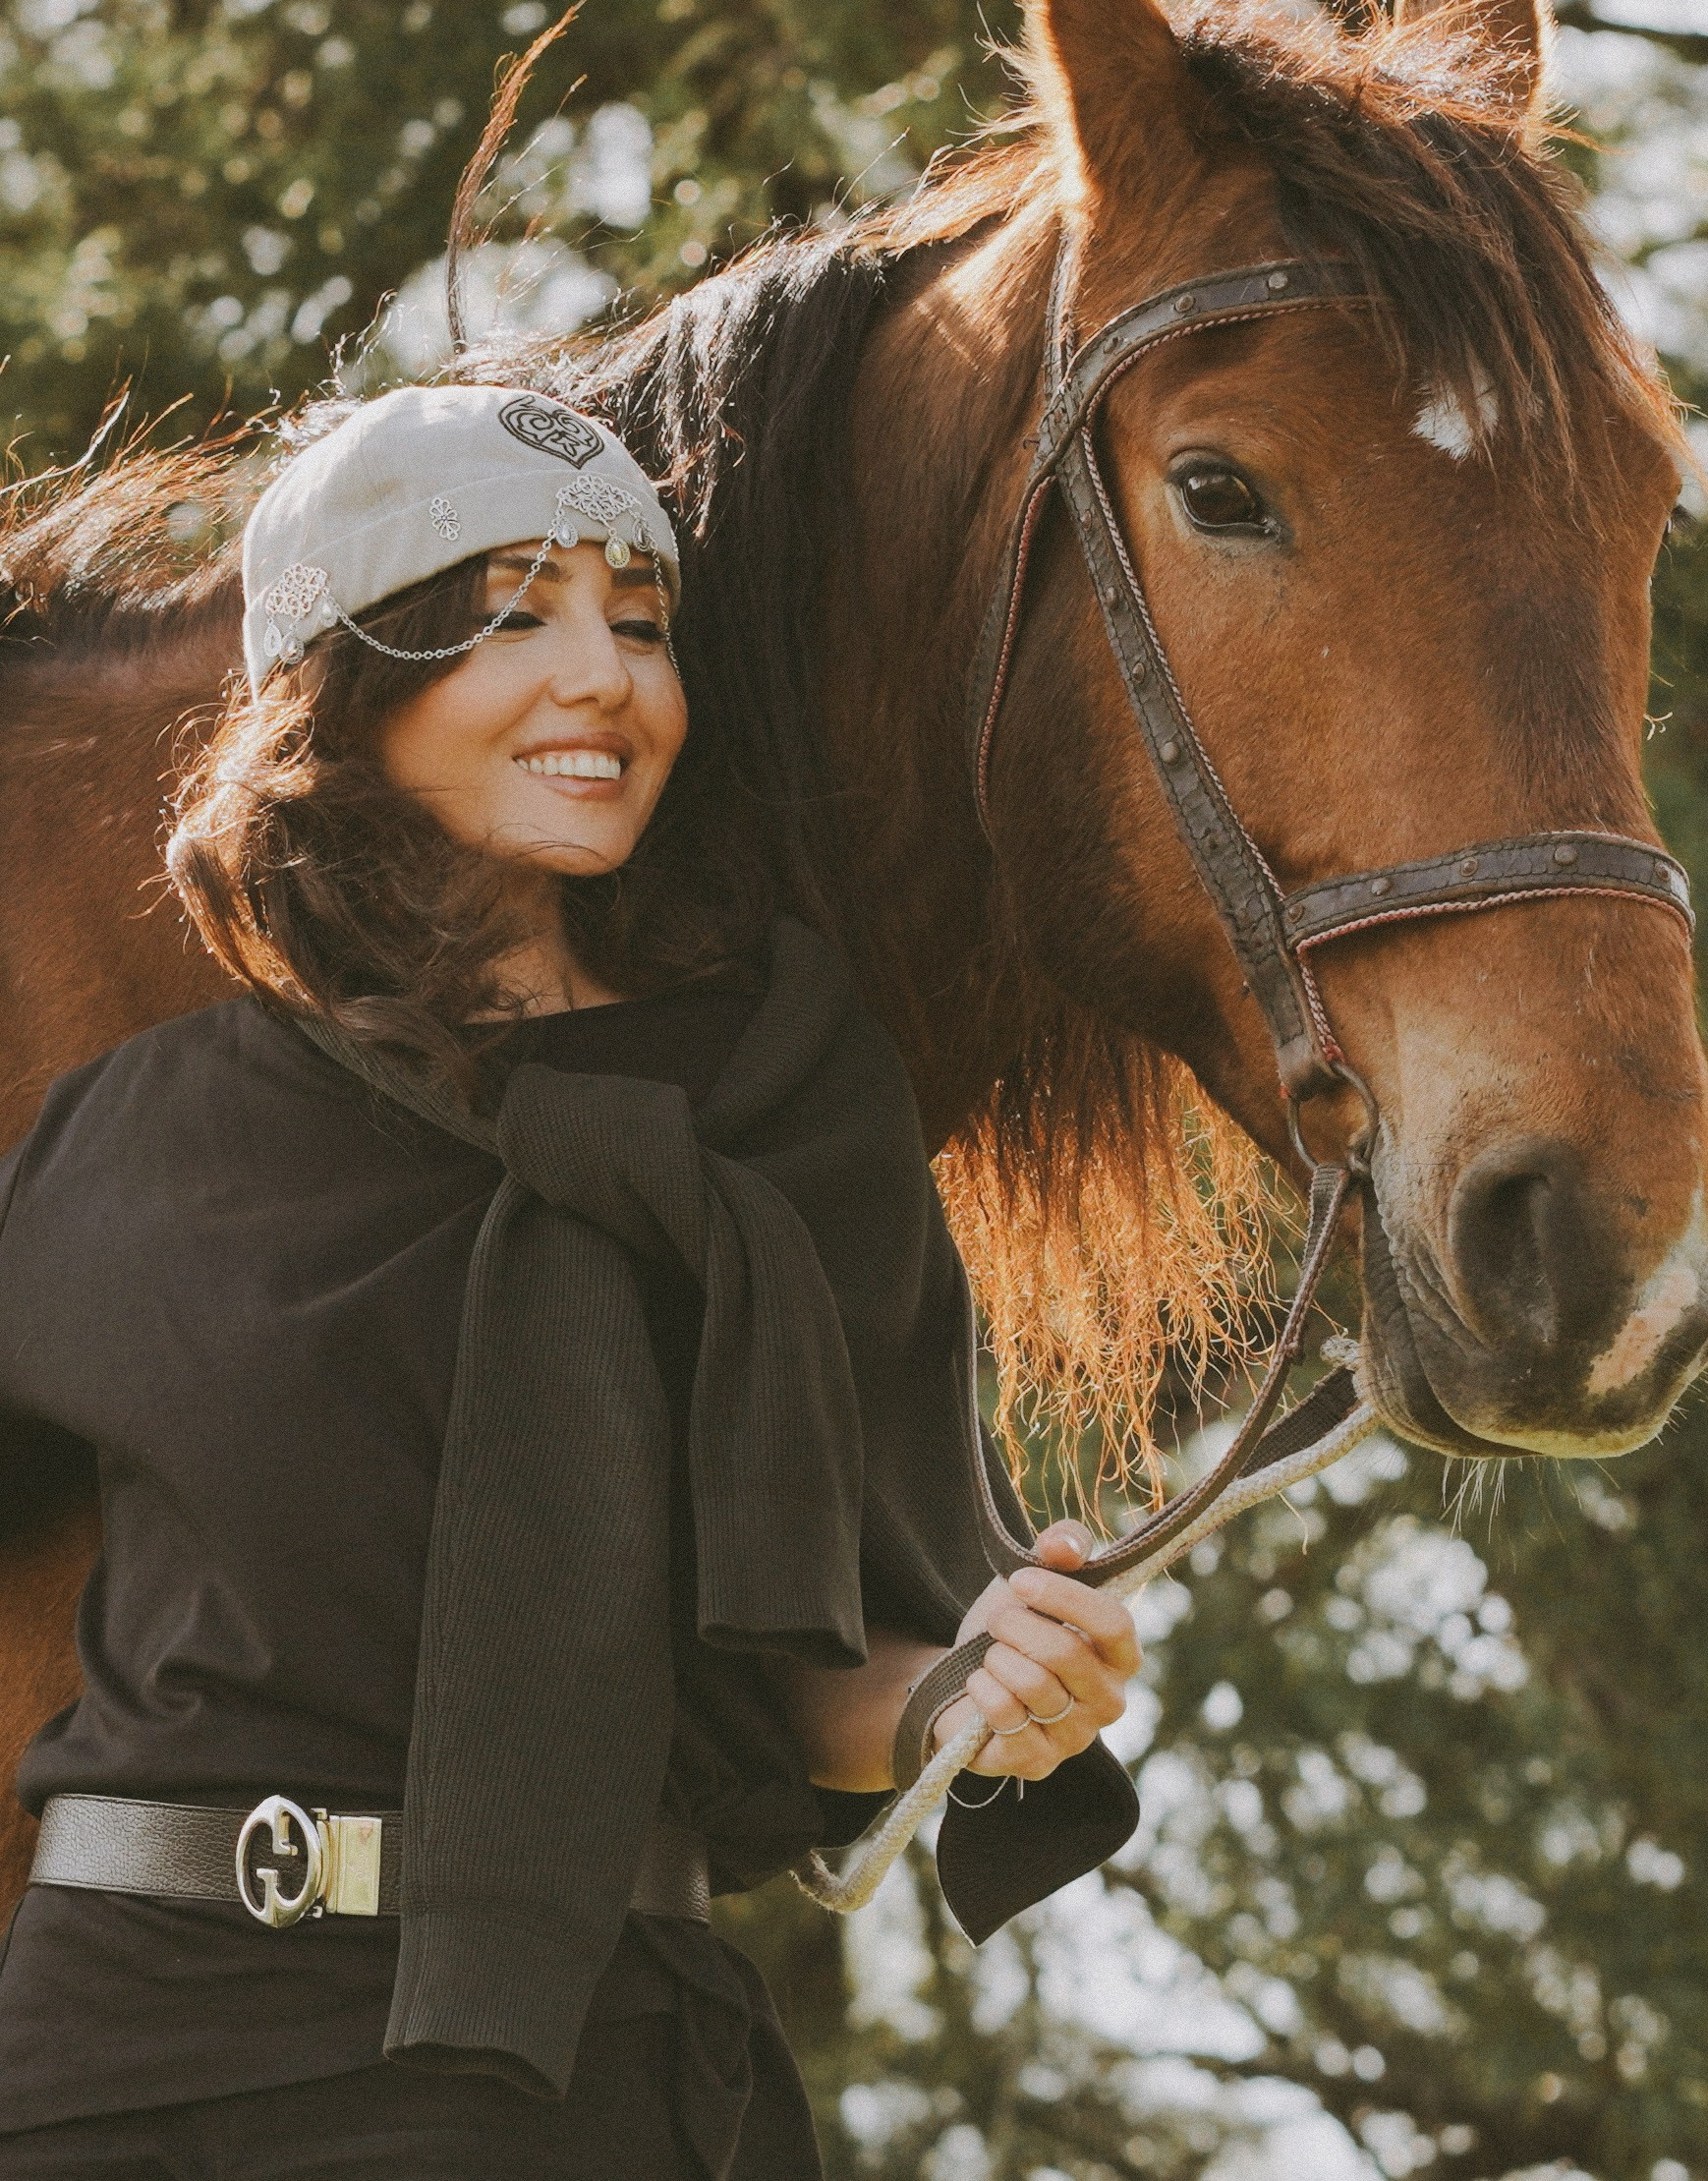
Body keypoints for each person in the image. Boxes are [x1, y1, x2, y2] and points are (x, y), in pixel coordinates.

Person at [0, 385, 1142, 2177]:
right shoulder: (147, 1123)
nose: (606, 677)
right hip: (106, 2065)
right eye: (516, 610)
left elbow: (834, 1686)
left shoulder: (780, 1098)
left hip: (559, 2075)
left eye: (642, 621)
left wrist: (984, 1695)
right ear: (346, 682)